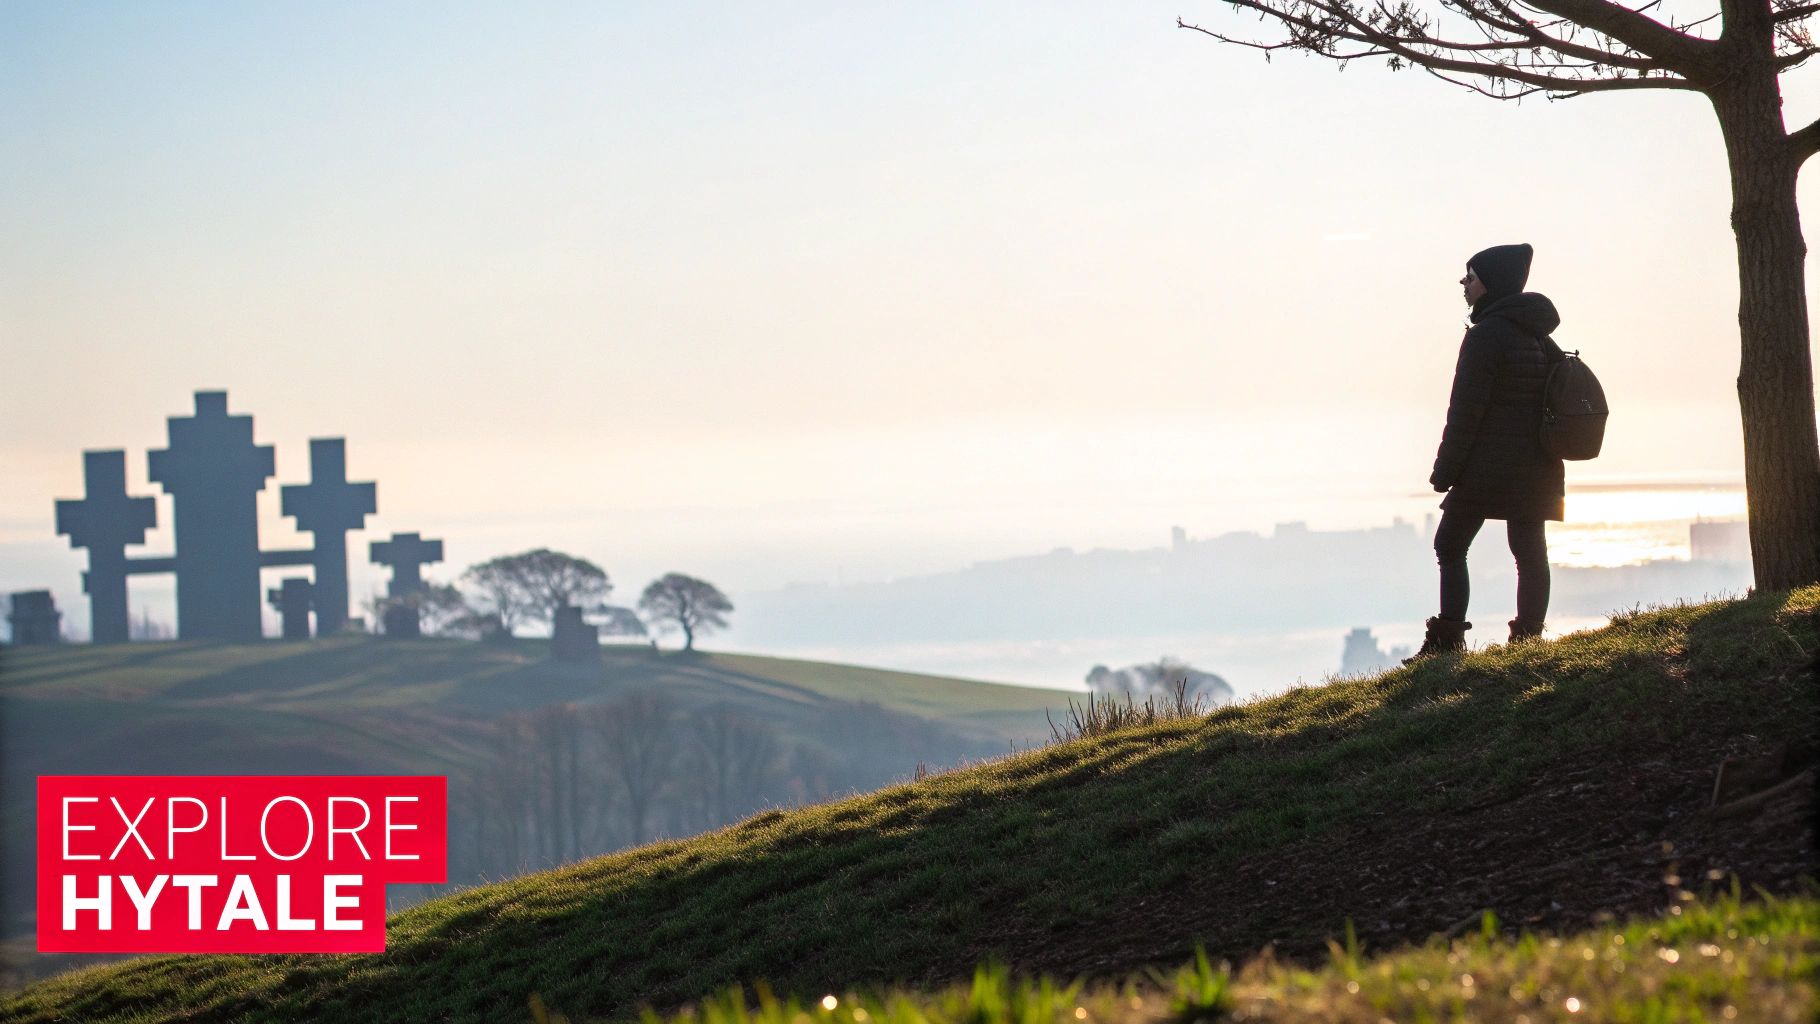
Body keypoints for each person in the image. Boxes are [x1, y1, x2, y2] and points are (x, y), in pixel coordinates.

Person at [1409, 243, 1565, 660]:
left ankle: (1447, 642)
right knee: (1530, 551)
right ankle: (1528, 641)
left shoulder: (1486, 337)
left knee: (1450, 544)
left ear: (1490, 284)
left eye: (1471, 276)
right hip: (1537, 466)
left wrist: (1445, 471)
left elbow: (1465, 412)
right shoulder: (1539, 337)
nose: (1464, 283)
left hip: (1488, 467)